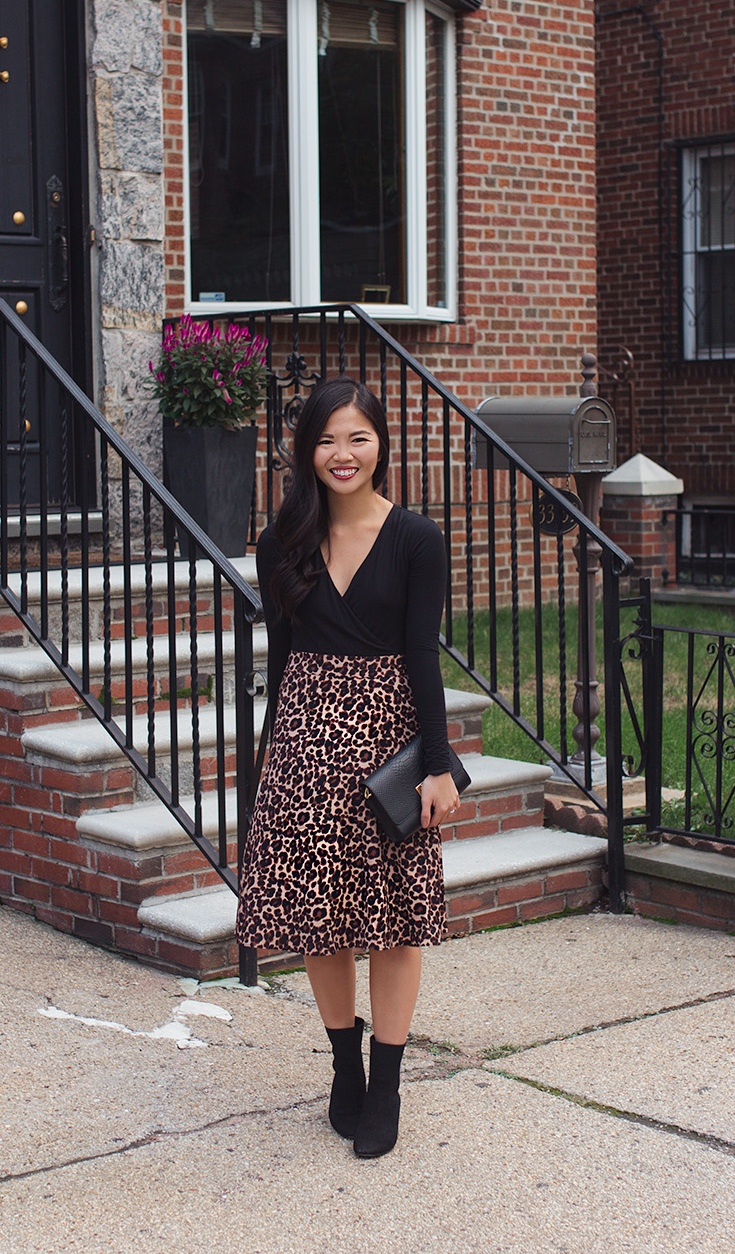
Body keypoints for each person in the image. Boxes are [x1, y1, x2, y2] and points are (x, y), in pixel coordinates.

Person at [235, 376, 460, 1158]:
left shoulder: (417, 539)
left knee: (396, 923)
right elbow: (284, 659)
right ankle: (343, 1067)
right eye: (327, 439)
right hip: (304, 749)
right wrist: (272, 767)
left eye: (357, 437)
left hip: (389, 746)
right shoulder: (280, 544)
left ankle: (388, 1084)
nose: (343, 453)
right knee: (319, 920)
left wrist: (437, 766)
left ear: (381, 446)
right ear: (307, 451)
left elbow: (423, 659)